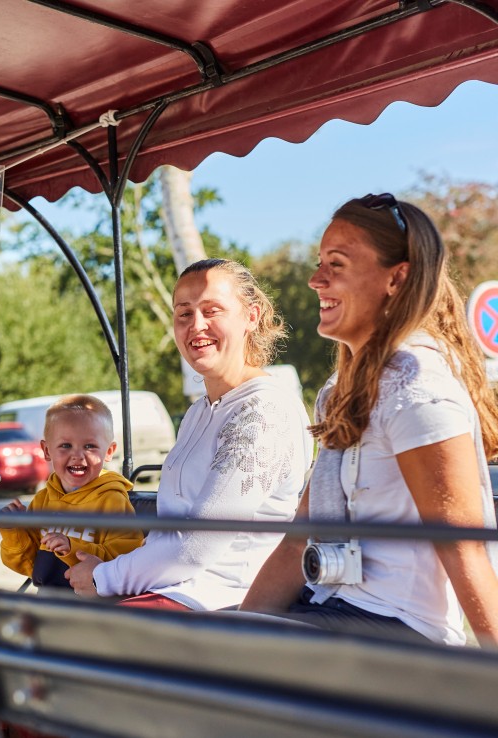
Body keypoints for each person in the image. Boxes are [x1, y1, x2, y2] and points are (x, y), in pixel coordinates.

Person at [240, 193, 498, 646]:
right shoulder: (340, 391)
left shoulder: (418, 390)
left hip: (399, 635)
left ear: (396, 278)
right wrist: (235, 631)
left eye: (336, 264)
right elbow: (298, 541)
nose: (315, 279)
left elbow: (463, 549)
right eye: (320, 262)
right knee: (186, 646)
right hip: (331, 610)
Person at [66, 259, 314, 610]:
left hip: (225, 598)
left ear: (251, 316)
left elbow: (197, 546)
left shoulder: (263, 411)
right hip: (175, 586)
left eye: (212, 310)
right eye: (184, 314)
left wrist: (104, 576)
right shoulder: (200, 411)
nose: (197, 325)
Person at [0, 394, 144, 588]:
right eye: (65, 446)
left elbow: (126, 558)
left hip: (93, 600)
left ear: (109, 451)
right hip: (49, 599)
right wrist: (14, 531)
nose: (77, 456)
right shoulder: (43, 500)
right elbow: (30, 566)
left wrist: (73, 548)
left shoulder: (112, 500)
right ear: (47, 450)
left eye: (90, 446)